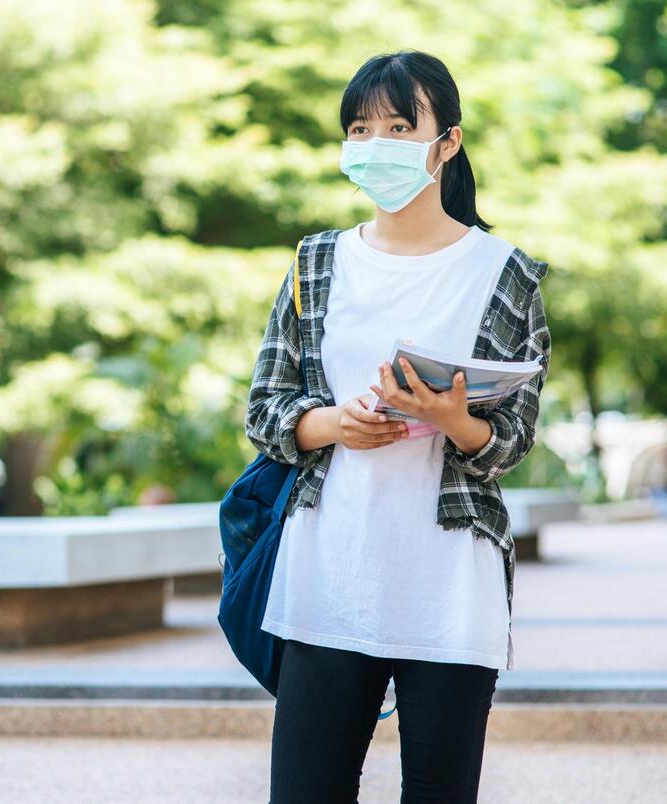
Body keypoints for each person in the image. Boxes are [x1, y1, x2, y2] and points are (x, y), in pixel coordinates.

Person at [245, 50, 552, 803]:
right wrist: (331, 424)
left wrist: (455, 421)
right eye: (359, 127)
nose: (375, 143)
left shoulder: (503, 270)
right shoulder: (316, 262)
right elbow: (265, 409)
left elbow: (512, 439)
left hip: (447, 585)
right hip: (327, 576)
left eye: (396, 125)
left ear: (446, 141)